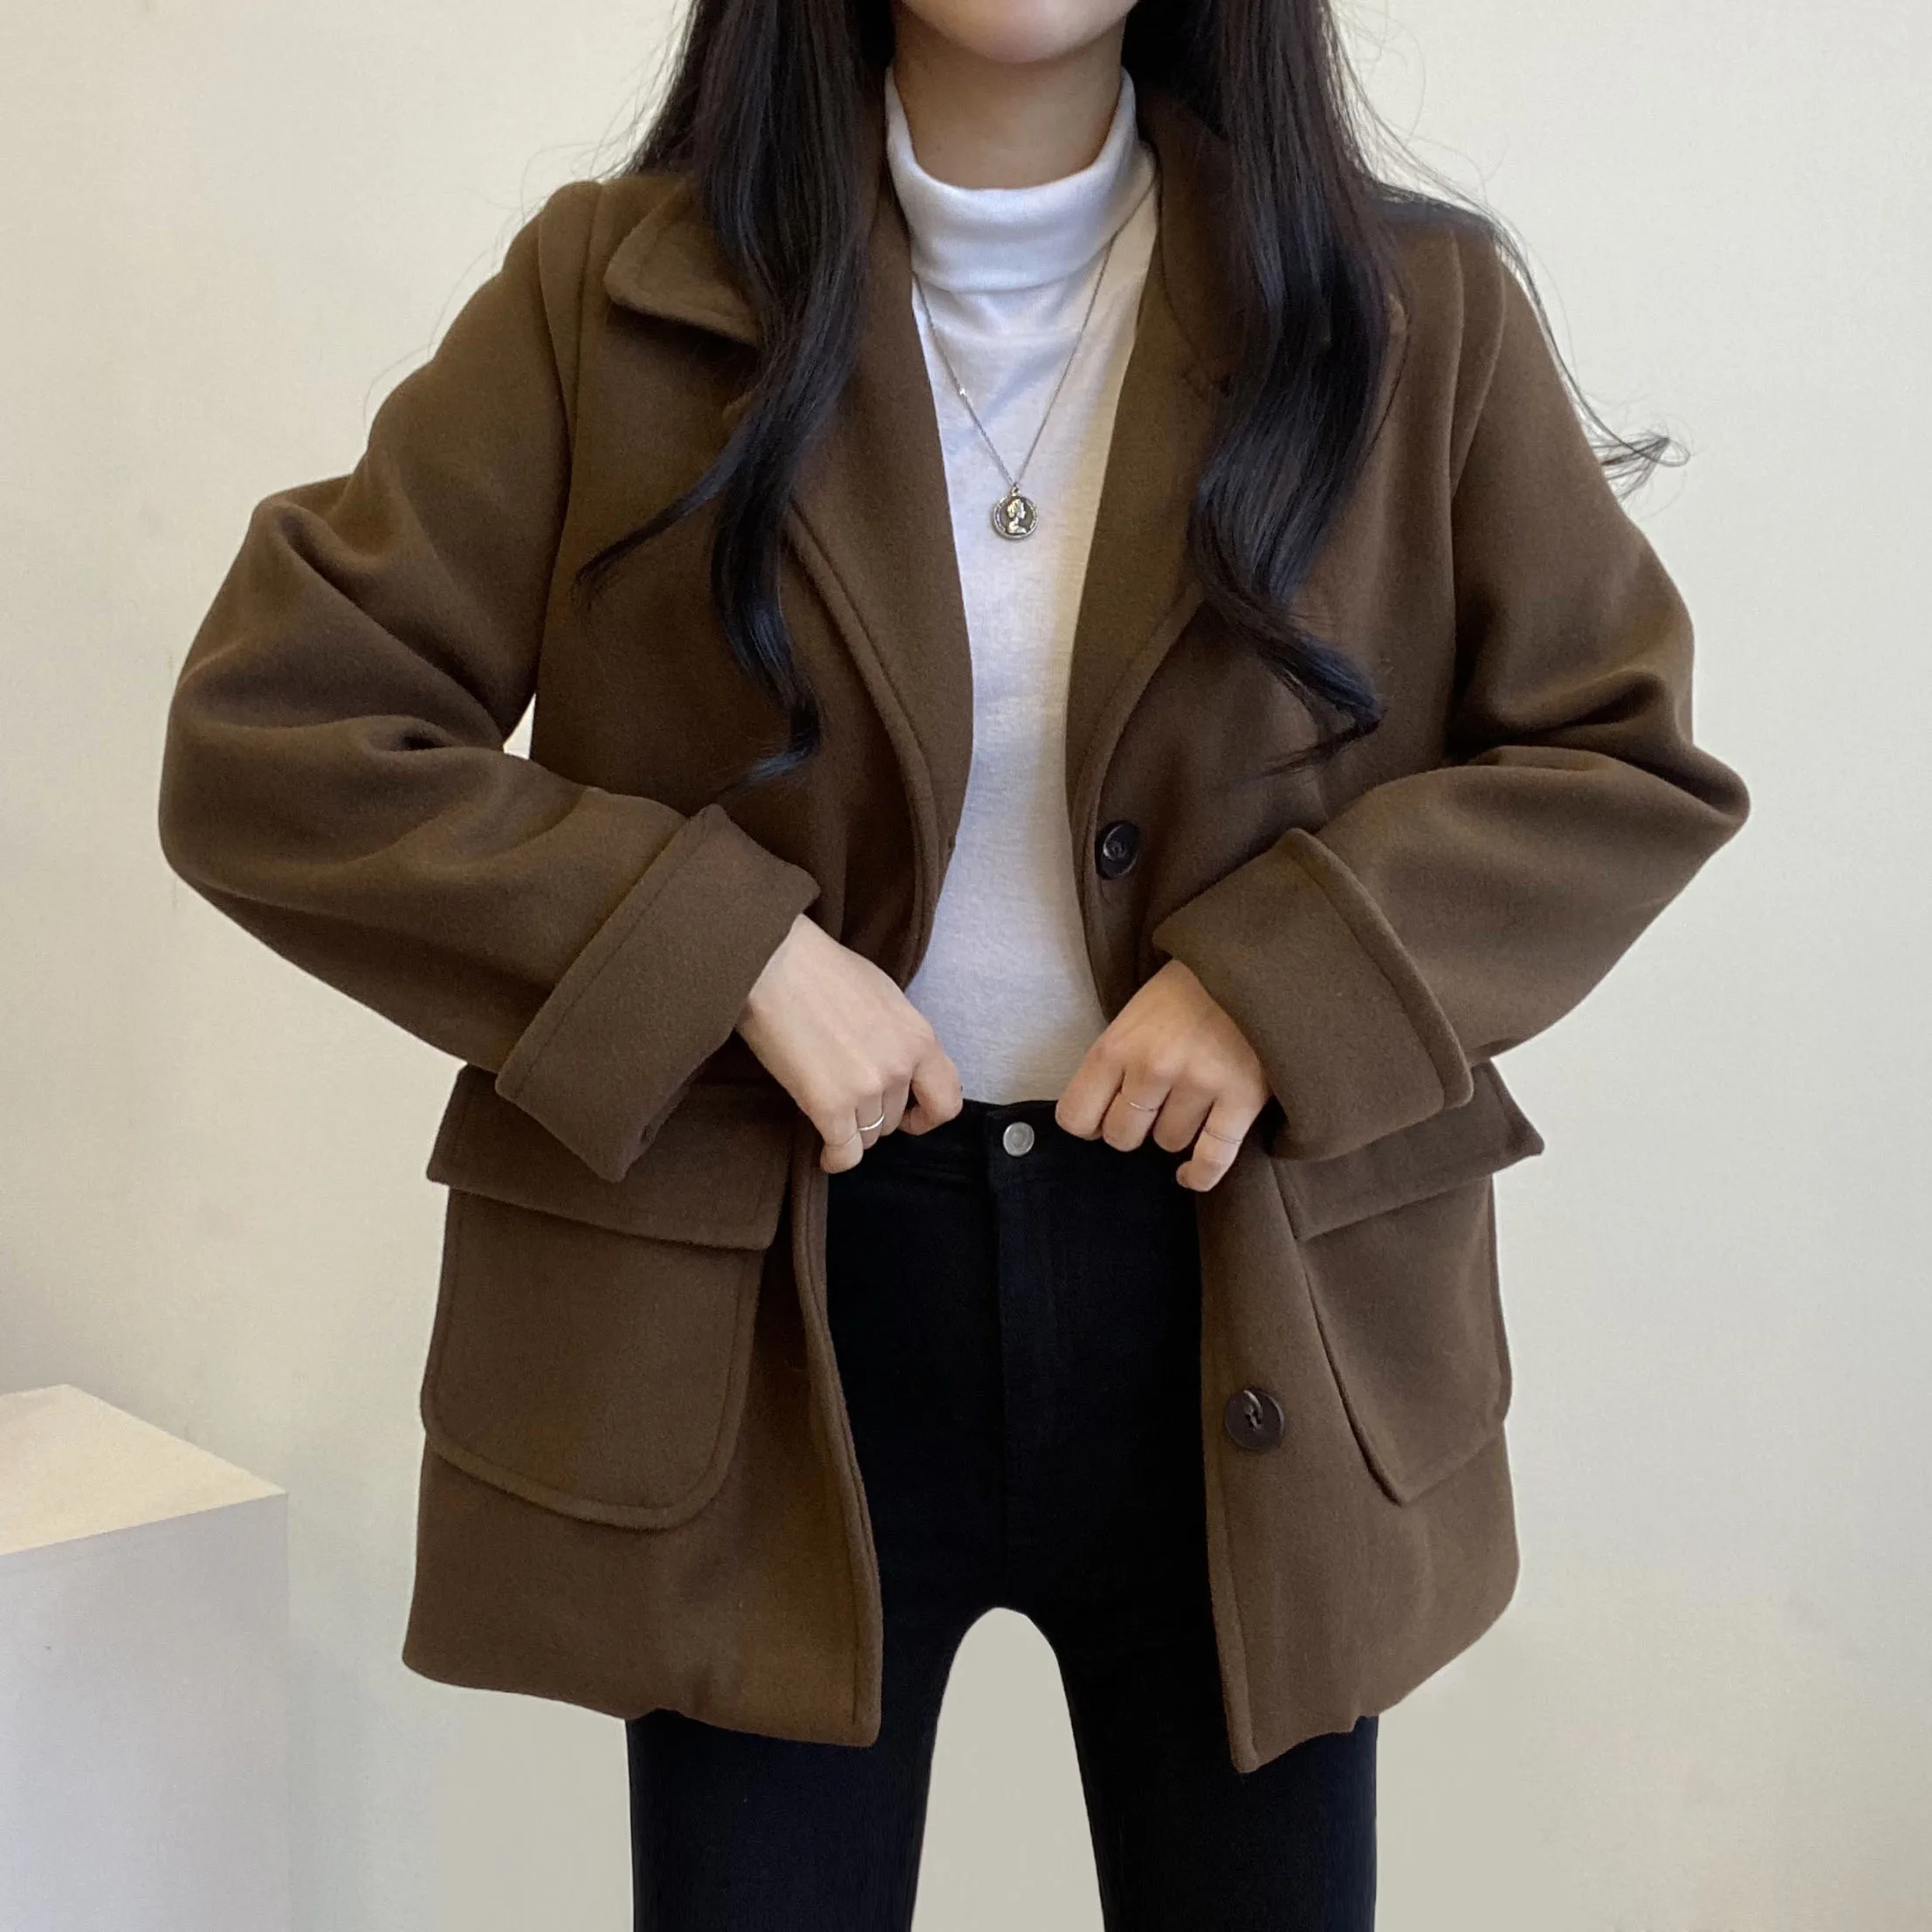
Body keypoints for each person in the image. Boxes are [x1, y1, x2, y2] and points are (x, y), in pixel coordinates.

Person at [155, 0, 1751, 1926]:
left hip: (1239, 1299)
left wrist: (1287, 974)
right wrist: (721, 947)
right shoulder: (617, 297)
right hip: (766, 1314)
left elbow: (1613, 757)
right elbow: (276, 736)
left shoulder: (1401, 310)